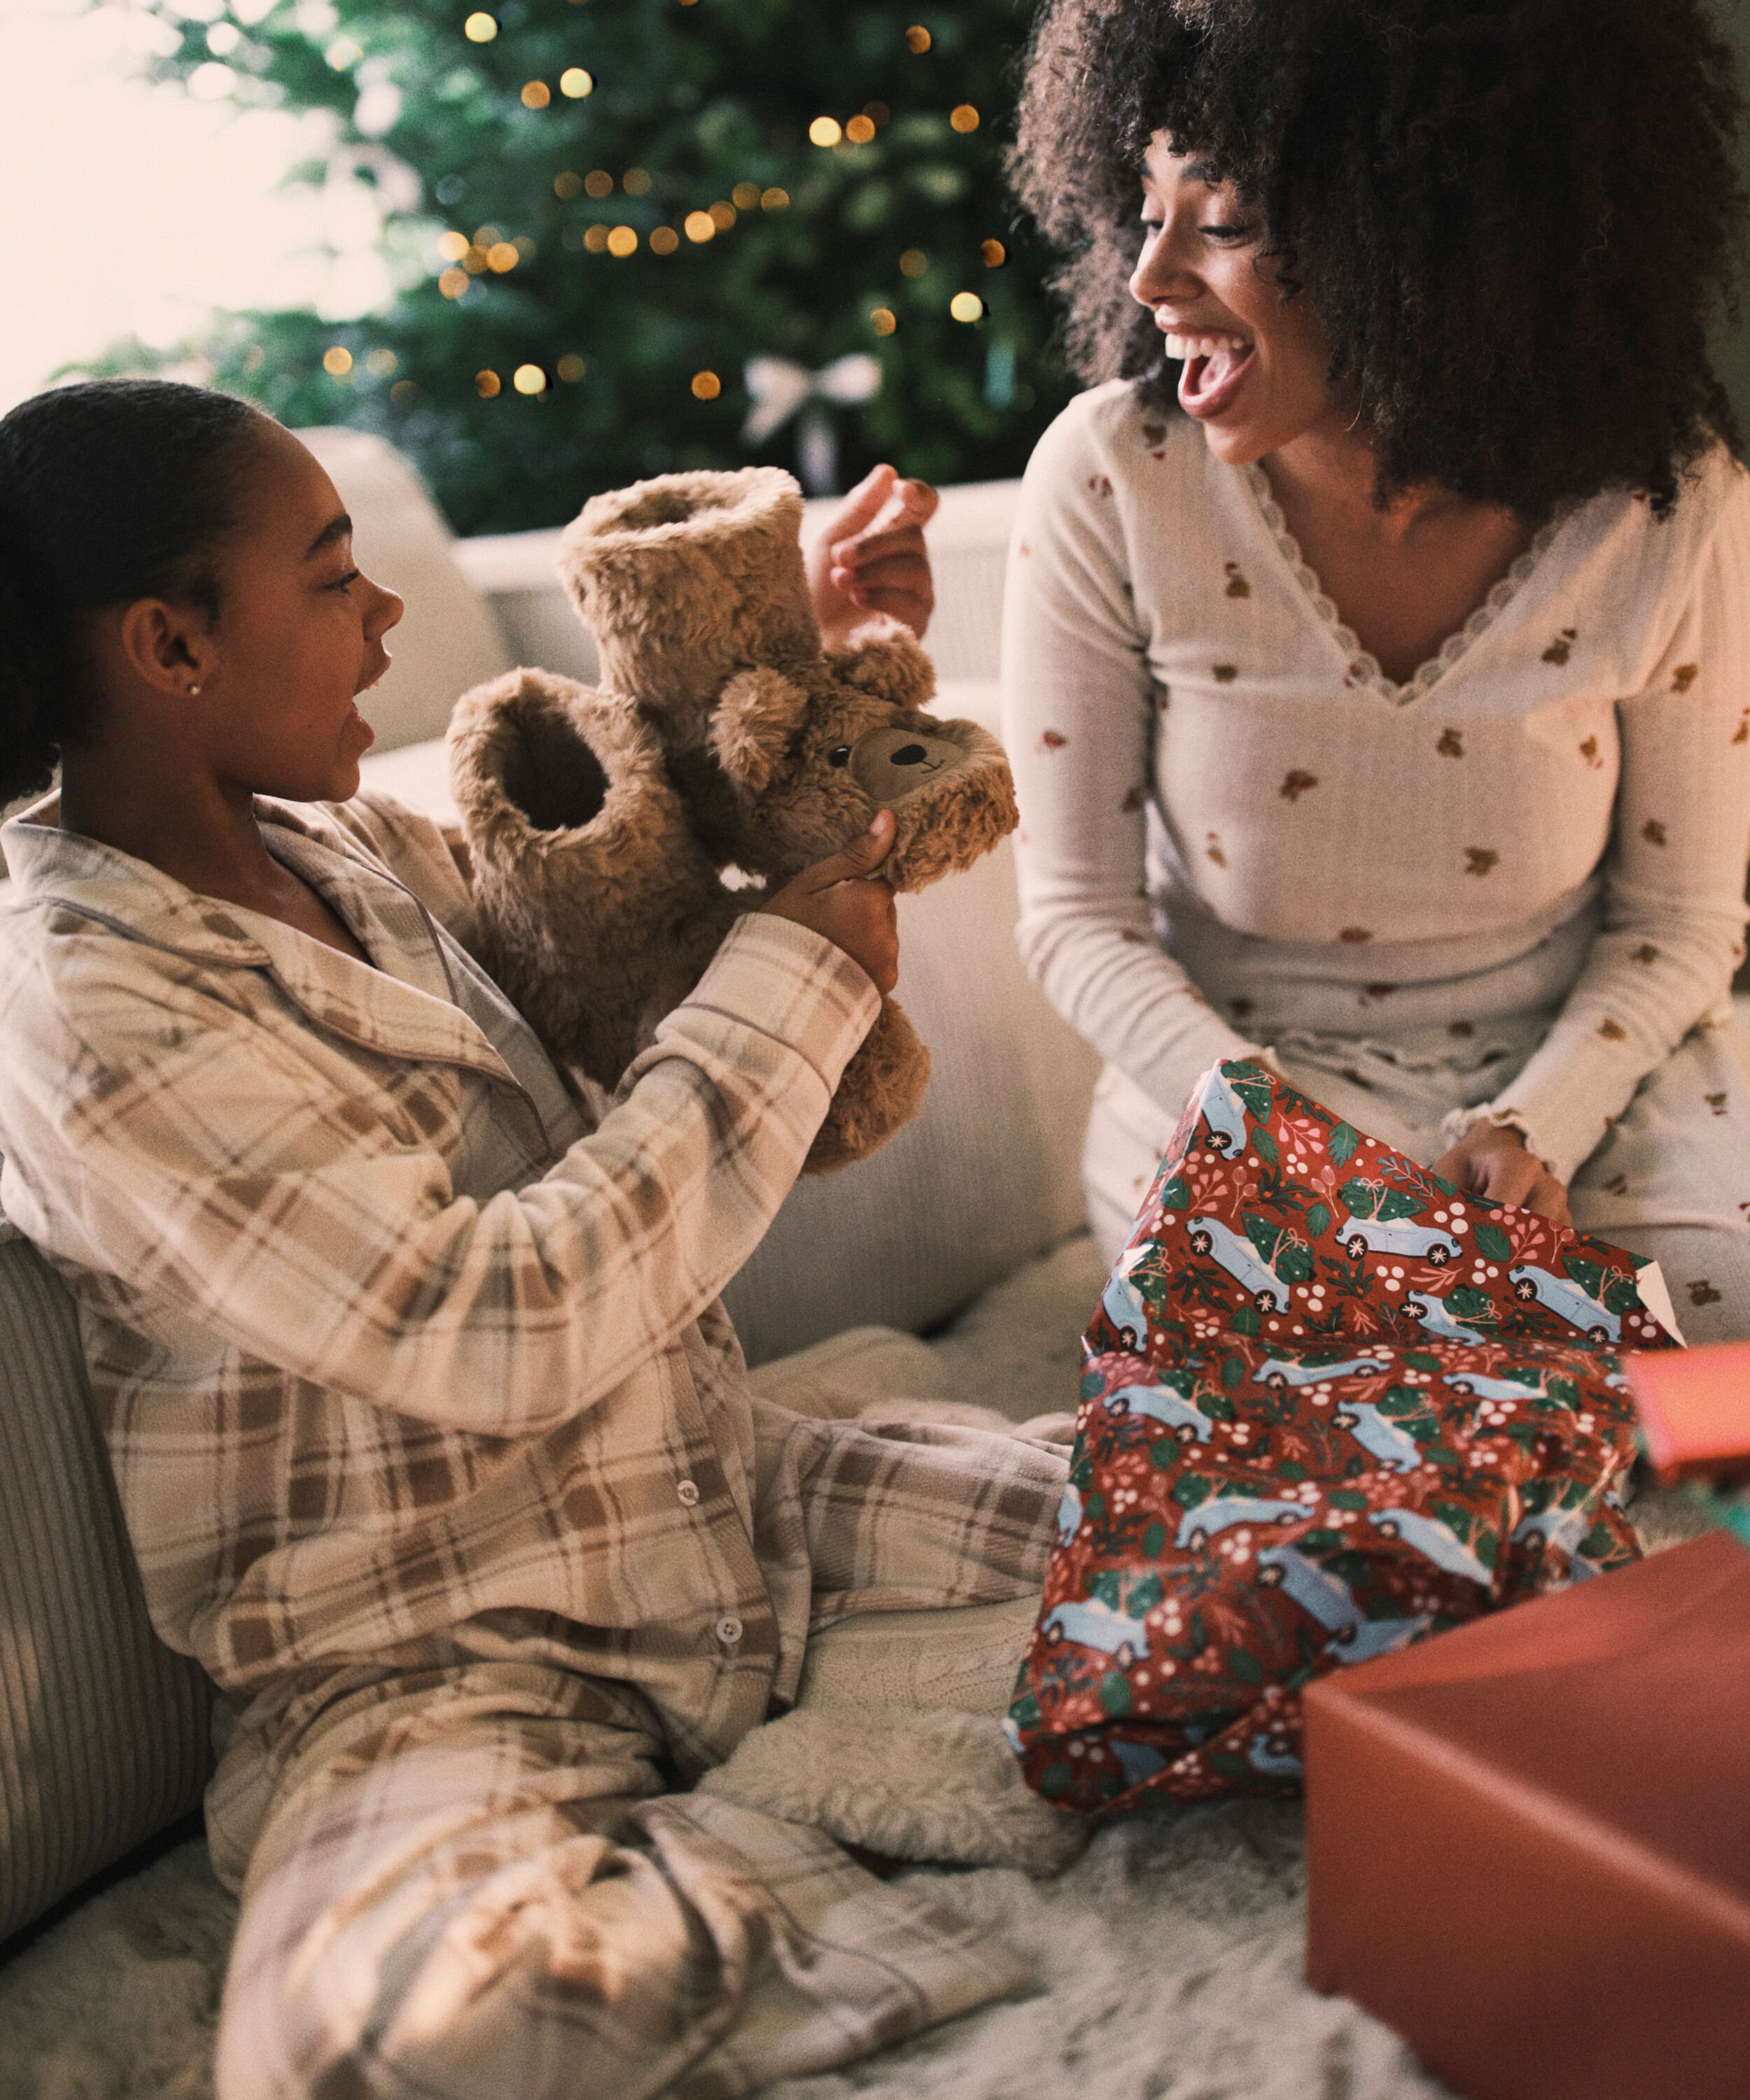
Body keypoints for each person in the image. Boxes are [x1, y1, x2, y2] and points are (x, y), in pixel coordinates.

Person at [0, 379, 1066, 2099]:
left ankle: (814, 1747)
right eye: (334, 578)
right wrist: (792, 982)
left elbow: (621, 919)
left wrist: (814, 668)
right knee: (398, 2042)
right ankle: (781, 1842)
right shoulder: (85, 1004)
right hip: (440, 1655)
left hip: (723, 1503)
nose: (388, 617)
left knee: (1248, 1538)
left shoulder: (343, 848)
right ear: (169, 647)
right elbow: (493, 1325)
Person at [1003, 0, 1750, 1340]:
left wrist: (1539, 1129)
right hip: (1235, 1090)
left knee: (1718, 1308)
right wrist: (1290, 1149)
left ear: (1432, 235)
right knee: (1361, 1340)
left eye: (1221, 222)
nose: (1150, 277)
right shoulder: (1114, 479)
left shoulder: (1669, 509)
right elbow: (1078, 923)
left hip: (1587, 1072)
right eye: (1147, 205)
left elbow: (1679, 924)